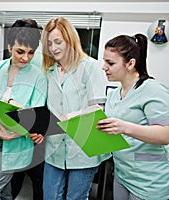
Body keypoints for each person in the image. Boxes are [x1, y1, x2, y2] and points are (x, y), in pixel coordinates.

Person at [0, 19, 47, 200]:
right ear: (9, 47)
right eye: (20, 51)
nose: (25, 58)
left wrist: (10, 131)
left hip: (15, 145)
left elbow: (32, 117)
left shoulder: (39, 77)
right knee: (4, 193)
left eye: (31, 53)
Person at [41, 17, 111, 200]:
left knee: (76, 198)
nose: (53, 48)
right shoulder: (49, 70)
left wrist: (69, 117)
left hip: (83, 147)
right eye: (49, 43)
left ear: (70, 40)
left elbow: (98, 107)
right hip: (55, 146)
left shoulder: (91, 67)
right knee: (50, 196)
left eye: (58, 42)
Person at [97, 33, 169, 200]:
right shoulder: (114, 94)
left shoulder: (153, 90)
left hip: (150, 180)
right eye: (104, 61)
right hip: (123, 174)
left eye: (110, 63)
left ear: (130, 63)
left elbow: (166, 134)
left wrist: (124, 127)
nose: (104, 67)